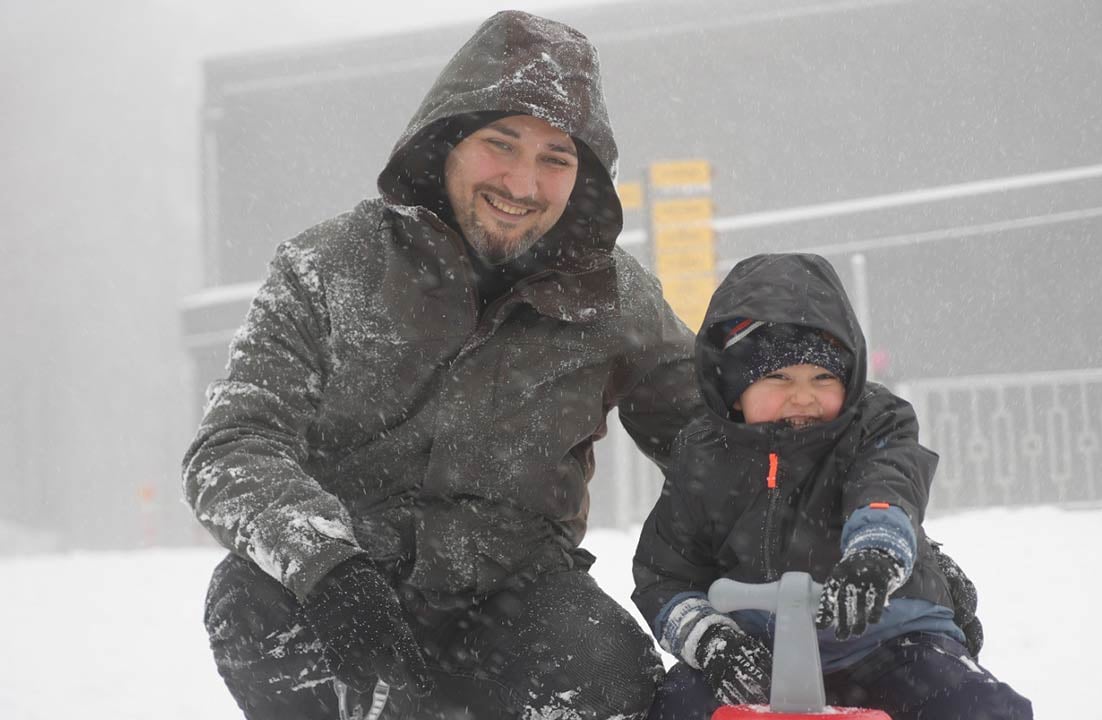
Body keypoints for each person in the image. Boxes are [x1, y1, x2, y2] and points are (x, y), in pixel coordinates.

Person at [183, 11, 698, 720]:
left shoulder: (613, 297)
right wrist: (329, 569)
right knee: (250, 602)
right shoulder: (326, 268)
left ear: (583, 177)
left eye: (555, 158)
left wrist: (834, 491)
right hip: (352, 591)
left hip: (518, 598)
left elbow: (718, 439)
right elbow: (233, 445)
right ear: (447, 140)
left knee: (611, 668)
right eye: (500, 144)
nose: (523, 182)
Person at [632, 253, 1032, 720]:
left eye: (823, 377)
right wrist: (711, 641)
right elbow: (666, 574)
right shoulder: (703, 453)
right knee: (677, 706)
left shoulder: (875, 424)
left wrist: (875, 554)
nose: (803, 396)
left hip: (889, 641)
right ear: (735, 389)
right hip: (757, 650)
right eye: (779, 377)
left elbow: (886, 486)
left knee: (975, 706)